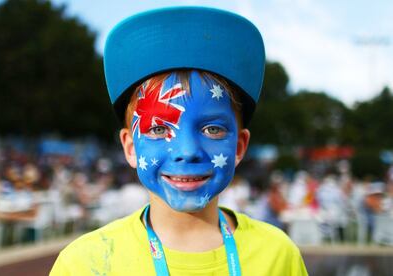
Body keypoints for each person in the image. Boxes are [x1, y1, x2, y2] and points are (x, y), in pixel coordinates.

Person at [50, 7, 307, 275]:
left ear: (240, 146)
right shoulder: (84, 264)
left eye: (212, 130)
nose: (187, 151)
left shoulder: (278, 255)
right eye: (159, 129)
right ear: (130, 147)